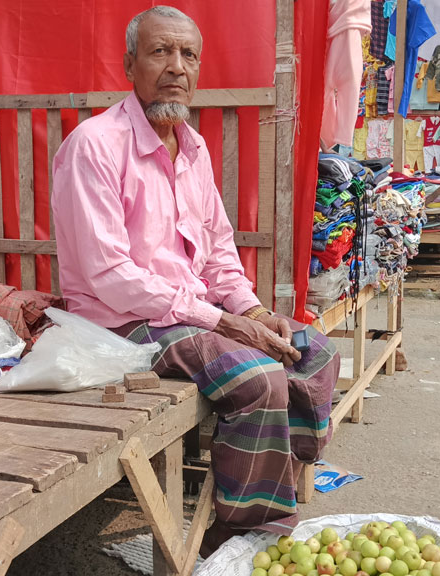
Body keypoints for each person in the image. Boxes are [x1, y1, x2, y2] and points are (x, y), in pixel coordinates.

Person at [50, 6, 341, 552]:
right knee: (260, 379)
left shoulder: (196, 148)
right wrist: (221, 320)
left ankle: (276, 489)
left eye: (189, 55)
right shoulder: (95, 144)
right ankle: (235, 534)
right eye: (160, 52)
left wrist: (251, 312)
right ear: (129, 65)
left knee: (316, 352)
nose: (176, 67)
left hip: (187, 313)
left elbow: (217, 255)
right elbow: (112, 277)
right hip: (122, 323)